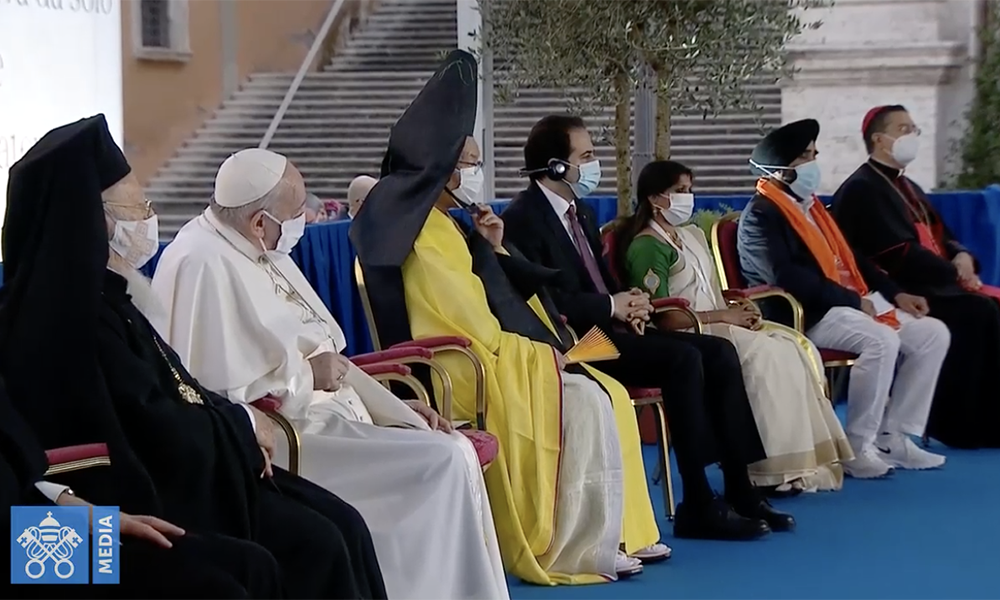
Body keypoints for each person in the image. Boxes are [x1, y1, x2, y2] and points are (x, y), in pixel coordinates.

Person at [0, 114, 389, 600]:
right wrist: (241, 431)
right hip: (75, 521)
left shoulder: (110, 300)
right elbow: (145, 425)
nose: (147, 216)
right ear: (94, 220)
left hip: (93, 506)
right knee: (275, 561)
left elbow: (170, 392)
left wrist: (236, 428)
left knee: (338, 527)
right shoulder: (65, 319)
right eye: (137, 206)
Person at [351, 50, 670, 585]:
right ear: (444, 170)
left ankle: (619, 531)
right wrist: (542, 353)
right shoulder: (425, 237)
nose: (477, 172)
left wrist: (492, 247)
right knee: (591, 397)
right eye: (470, 162)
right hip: (462, 361)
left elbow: (498, 293)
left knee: (603, 390)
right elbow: (468, 322)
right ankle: (579, 544)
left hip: (498, 348)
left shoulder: (449, 225)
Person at [151, 148, 510, 600]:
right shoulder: (200, 262)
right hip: (287, 435)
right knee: (442, 462)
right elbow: (216, 391)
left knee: (448, 444)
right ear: (260, 222)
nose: (302, 222)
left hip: (330, 414)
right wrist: (306, 375)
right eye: (295, 214)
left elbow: (332, 358)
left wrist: (397, 410)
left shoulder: (261, 244)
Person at [500, 115, 789, 541]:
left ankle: (740, 488)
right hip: (577, 342)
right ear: (557, 166)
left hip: (609, 329)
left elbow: (598, 279)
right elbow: (544, 300)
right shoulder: (524, 218)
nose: (593, 162)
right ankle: (697, 503)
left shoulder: (577, 211)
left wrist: (630, 303)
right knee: (683, 358)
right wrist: (609, 305)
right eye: (587, 155)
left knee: (719, 352)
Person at [615, 160, 853, 492]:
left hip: (716, 321)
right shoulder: (647, 246)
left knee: (791, 347)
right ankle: (768, 470)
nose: (689, 197)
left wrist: (739, 306)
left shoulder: (690, 235)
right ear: (656, 199)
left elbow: (708, 291)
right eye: (680, 191)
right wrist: (723, 317)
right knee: (764, 355)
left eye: (690, 189)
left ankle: (802, 463)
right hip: (690, 332)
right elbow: (663, 315)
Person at [737, 118, 951, 479]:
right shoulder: (762, 214)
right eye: (806, 156)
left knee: (932, 333)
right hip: (809, 312)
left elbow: (855, 260)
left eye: (814, 153)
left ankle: (893, 435)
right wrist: (853, 301)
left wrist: (895, 293)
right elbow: (787, 278)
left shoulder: (815, 207)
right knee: (881, 341)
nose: (815, 161)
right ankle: (857, 445)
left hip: (849, 303)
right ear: (782, 168)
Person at [0, 378, 283, 600]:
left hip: (25, 522)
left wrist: (71, 506)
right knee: (209, 589)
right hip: (17, 548)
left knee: (249, 564)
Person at [831, 105, 1000, 449]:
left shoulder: (908, 186)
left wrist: (963, 255)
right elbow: (894, 252)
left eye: (914, 129)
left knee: (989, 309)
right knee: (979, 314)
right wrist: (953, 271)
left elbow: (943, 235)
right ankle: (958, 423)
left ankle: (988, 418)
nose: (912, 135)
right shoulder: (863, 188)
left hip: (934, 281)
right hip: (902, 289)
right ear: (879, 139)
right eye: (903, 128)